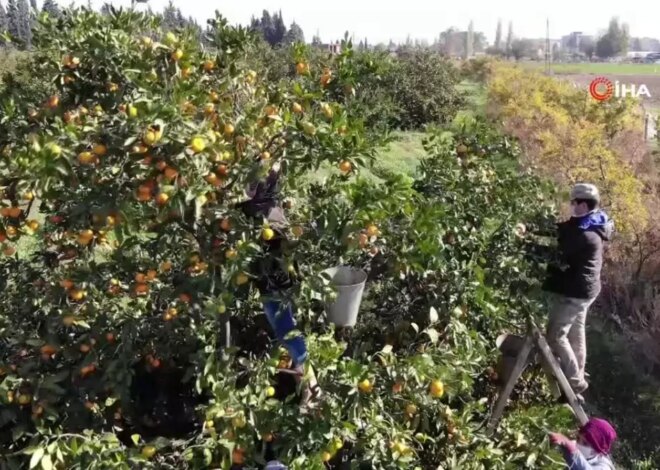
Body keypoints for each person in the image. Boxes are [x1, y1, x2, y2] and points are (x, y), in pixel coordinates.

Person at [237, 161, 321, 406]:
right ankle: (306, 383)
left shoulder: (260, 157)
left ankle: (311, 385)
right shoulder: (264, 152)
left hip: (270, 244)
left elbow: (245, 193)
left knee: (281, 318)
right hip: (263, 243)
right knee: (281, 317)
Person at [544, 183, 613, 396]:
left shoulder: (585, 235)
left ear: (583, 205)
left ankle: (574, 380)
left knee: (556, 335)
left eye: (573, 202)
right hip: (587, 289)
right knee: (576, 332)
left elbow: (558, 252)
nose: (571, 205)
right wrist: (533, 227)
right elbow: (563, 229)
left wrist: (524, 246)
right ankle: (578, 376)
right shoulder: (591, 223)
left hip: (577, 292)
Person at [548, 417, 617, 469]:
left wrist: (573, 451)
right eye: (578, 438)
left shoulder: (604, 466)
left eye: (585, 443)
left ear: (597, 450)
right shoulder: (570, 449)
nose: (579, 444)